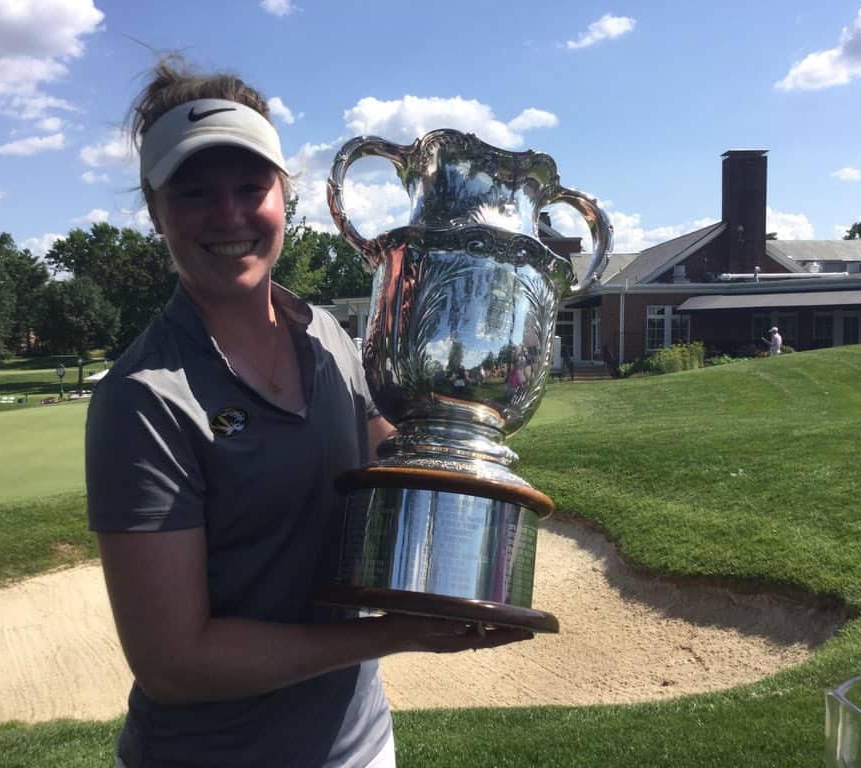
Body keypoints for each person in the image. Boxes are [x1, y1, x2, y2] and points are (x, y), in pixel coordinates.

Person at [85, 56, 531, 768]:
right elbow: (174, 663)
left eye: (250, 186)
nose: (229, 215)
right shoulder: (143, 399)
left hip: (360, 744)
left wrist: (480, 468)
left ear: (284, 196)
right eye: (195, 193)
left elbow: (395, 461)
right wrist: (394, 632)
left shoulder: (328, 338)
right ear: (155, 210)